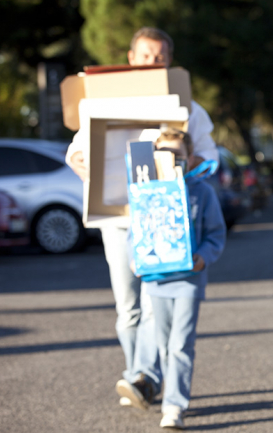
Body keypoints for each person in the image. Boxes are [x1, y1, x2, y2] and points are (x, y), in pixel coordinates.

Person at [64, 27, 219, 409]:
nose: (153, 62)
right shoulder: (102, 101)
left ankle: (144, 378)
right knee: (128, 307)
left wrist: (187, 161)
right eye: (147, 56)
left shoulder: (188, 106)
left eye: (161, 56)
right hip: (116, 218)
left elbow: (212, 160)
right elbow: (76, 151)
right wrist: (77, 160)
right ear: (131, 59)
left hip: (162, 218)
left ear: (169, 60)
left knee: (153, 302)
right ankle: (137, 375)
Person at [119, 129, 226, 429]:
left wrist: (204, 256)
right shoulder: (146, 191)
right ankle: (163, 392)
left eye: (178, 155)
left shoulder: (202, 192)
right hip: (156, 280)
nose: (172, 161)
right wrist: (134, 257)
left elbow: (216, 233)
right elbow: (134, 233)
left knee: (181, 344)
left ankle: (174, 406)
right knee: (163, 344)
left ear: (189, 158)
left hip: (188, 281)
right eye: (164, 154)